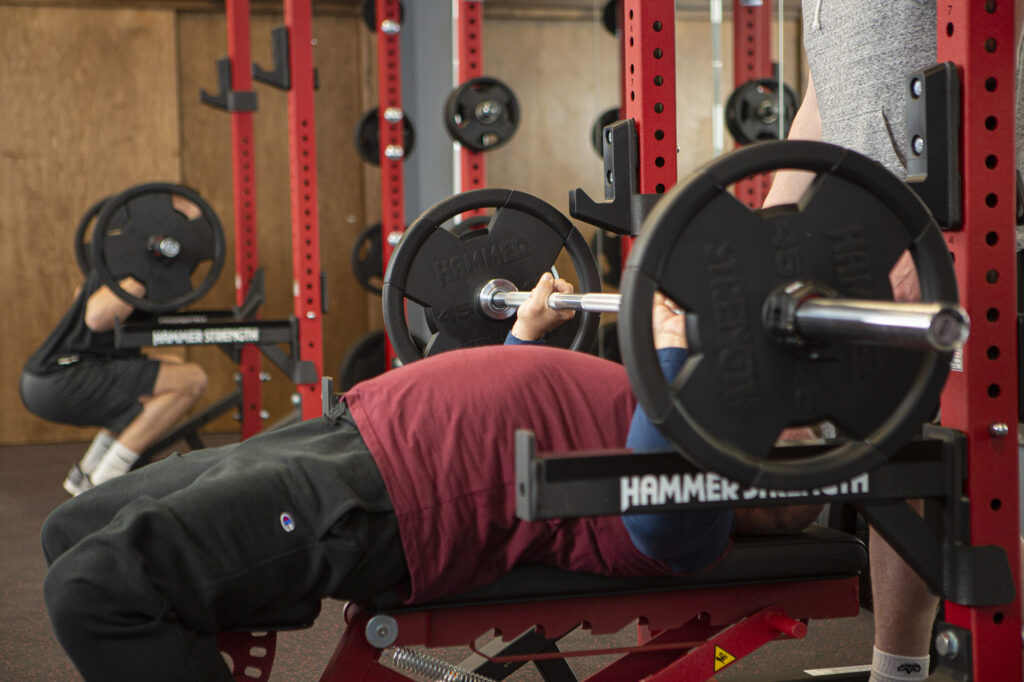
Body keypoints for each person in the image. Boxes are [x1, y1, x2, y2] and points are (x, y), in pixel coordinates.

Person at [40, 273, 821, 682]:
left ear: (755, 484)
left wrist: (673, 351)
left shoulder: (684, 512)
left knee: (96, 589)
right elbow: (524, 413)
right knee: (70, 530)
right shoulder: (667, 421)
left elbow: (661, 472)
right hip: (349, 431)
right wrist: (522, 339)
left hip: (384, 495)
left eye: (791, 441)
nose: (776, 417)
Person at [765, 3, 1024, 681]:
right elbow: (824, 104)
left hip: (986, 220)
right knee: (895, 444)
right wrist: (768, 238)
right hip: (879, 237)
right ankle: (898, 667)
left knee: (988, 448)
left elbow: (1002, 32)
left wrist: (953, 219)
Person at [19, 194, 208, 496]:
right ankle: (105, 483)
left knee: (169, 370)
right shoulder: (134, 271)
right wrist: (140, 279)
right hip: (59, 377)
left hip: (53, 374)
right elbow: (95, 317)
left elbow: (80, 293)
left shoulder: (122, 265)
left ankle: (85, 473)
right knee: (193, 379)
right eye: (183, 220)